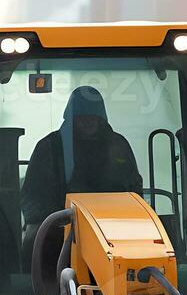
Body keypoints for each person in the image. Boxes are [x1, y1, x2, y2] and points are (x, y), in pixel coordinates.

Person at [21, 86, 143, 230]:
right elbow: (32, 195)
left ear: (101, 118)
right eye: (82, 116)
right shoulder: (50, 147)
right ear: (72, 118)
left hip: (113, 227)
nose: (88, 121)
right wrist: (52, 222)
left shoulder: (118, 146)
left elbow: (134, 188)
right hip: (59, 230)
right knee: (32, 240)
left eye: (93, 116)